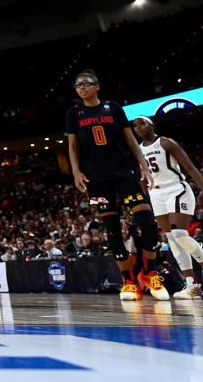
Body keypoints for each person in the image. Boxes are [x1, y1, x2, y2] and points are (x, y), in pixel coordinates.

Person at [65, 70, 164, 302]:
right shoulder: (74, 113)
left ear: (97, 86)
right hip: (96, 179)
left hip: (123, 173)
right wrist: (76, 171)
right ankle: (128, 281)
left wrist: (144, 166)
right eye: (77, 85)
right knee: (111, 229)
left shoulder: (114, 108)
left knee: (148, 222)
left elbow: (130, 139)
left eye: (86, 84)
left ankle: (149, 273)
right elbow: (72, 146)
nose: (81, 88)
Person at [134, 115, 203, 299]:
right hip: (155, 193)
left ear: (152, 125)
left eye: (142, 123)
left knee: (180, 234)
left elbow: (189, 168)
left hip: (176, 188)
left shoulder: (166, 143)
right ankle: (192, 285)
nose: (138, 127)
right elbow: (143, 176)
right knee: (172, 239)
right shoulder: (138, 150)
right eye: (135, 125)